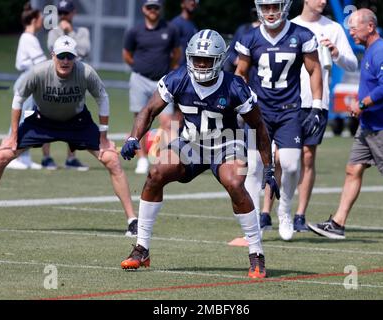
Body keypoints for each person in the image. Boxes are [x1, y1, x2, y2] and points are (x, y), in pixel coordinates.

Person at [119, 29, 278, 278]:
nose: (201, 65)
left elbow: (258, 126)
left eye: (207, 60)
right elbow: (149, 110)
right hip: (190, 144)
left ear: (219, 60)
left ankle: (256, 253)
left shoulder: (234, 86)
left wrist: (269, 168)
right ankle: (142, 248)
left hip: (226, 143)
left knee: (235, 182)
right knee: (155, 173)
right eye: (197, 59)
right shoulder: (178, 78)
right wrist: (132, 137)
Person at [0, 36, 138, 237]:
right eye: (61, 56)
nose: (65, 61)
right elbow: (18, 99)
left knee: (112, 160)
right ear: (53, 56)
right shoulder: (38, 72)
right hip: (41, 121)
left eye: (69, 57)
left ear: (75, 58)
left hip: (77, 122)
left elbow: (102, 98)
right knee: (2, 156)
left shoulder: (85, 72)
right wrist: (13, 136)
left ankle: (133, 222)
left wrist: (104, 138)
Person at [308, 9, 383, 242]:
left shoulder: (381, 52)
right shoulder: (371, 50)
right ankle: (337, 223)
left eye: (354, 27)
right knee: (353, 169)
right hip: (370, 124)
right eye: (349, 27)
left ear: (370, 27)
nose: (350, 31)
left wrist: (362, 103)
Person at [258, 0, 358, 232]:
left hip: (316, 104)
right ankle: (266, 212)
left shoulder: (333, 28)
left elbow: (352, 64)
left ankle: (300, 214)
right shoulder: (287, 25)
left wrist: (336, 53)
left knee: (307, 158)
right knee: (277, 158)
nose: (323, 1)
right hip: (284, 103)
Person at [234, 0, 323, 241]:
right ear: (259, 9)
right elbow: (240, 74)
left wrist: (316, 105)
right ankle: (254, 225)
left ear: (284, 7)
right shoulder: (250, 38)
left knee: (292, 164)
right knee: (254, 168)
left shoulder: (301, 35)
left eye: (275, 7)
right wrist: (239, 106)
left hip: (288, 110)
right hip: (258, 111)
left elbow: (314, 69)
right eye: (266, 8)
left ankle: (284, 210)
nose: (270, 12)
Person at [122, 0, 181, 175]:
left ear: (160, 9)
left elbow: (176, 54)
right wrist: (141, 67)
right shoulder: (134, 31)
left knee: (167, 122)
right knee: (139, 120)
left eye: (156, 7)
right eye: (150, 7)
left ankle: (170, 159)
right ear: (143, 9)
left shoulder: (170, 29)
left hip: (162, 82)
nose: (153, 10)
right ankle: (141, 159)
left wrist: (166, 70)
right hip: (140, 79)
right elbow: (127, 55)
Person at [45, 0, 92, 171]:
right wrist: (62, 33)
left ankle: (71, 158)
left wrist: (70, 33)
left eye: (66, 13)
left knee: (75, 118)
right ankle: (46, 157)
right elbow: (53, 49)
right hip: (55, 80)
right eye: (61, 13)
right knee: (48, 117)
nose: (63, 16)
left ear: (73, 13)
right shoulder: (54, 31)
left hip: (76, 81)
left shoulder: (82, 31)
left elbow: (85, 50)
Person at [6, 1, 47, 170]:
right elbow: (41, 63)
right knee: (21, 119)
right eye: (40, 19)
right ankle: (12, 155)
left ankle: (25, 156)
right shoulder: (28, 38)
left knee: (29, 119)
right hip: (27, 82)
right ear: (33, 20)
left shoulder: (31, 38)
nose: (42, 21)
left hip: (32, 83)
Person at [223, 7, 260, 73]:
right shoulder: (243, 29)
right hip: (240, 65)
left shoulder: (270, 33)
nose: (258, 16)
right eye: (256, 13)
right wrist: (236, 60)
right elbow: (230, 51)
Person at [170, 0, 198, 68]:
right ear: (182, 4)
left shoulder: (193, 24)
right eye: (189, 1)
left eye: (194, 1)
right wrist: (175, 68)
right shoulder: (176, 23)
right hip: (179, 69)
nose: (192, 3)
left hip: (190, 67)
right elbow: (170, 49)